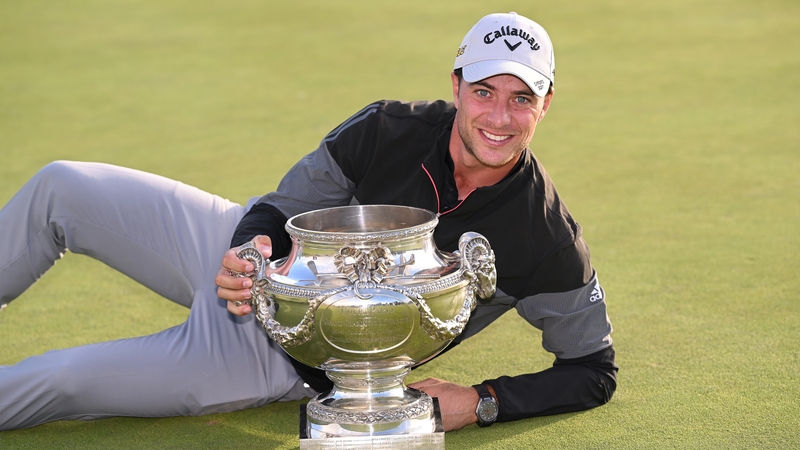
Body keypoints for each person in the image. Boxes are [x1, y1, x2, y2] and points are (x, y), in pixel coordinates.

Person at [0, 12, 616, 432]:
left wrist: (482, 402)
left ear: (546, 104)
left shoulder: (545, 236)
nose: (500, 117)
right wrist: (245, 250)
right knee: (63, 186)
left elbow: (593, 371)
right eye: (484, 92)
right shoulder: (388, 128)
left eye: (521, 98)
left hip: (282, 355)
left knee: (60, 378)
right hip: (255, 265)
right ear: (456, 86)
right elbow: (281, 205)